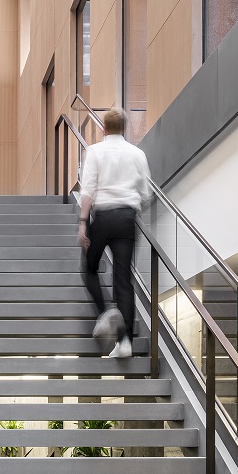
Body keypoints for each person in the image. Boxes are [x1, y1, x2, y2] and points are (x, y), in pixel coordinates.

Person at [75, 107, 153, 358]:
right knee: (123, 280)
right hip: (127, 219)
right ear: (124, 128)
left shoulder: (94, 151)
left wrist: (83, 223)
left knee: (89, 268)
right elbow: (146, 193)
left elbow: (87, 190)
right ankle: (126, 342)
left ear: (103, 129)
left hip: (103, 217)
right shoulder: (137, 154)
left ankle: (104, 312)